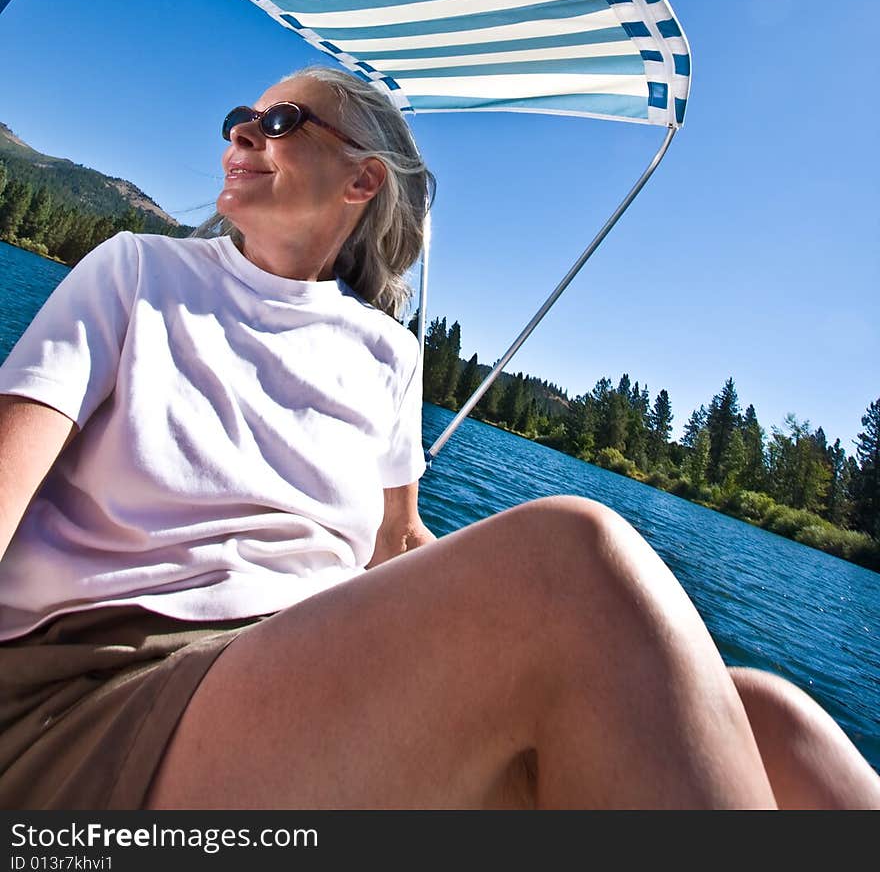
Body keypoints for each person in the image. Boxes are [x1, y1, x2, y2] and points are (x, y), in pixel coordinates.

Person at [0, 65, 877, 811]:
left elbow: (396, 546)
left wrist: (567, 629)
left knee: (773, 722)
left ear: (361, 181)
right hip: (99, 695)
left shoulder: (387, 352)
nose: (243, 138)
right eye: (238, 123)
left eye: (277, 123)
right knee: (573, 561)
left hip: (303, 681)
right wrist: (557, 598)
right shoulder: (137, 270)